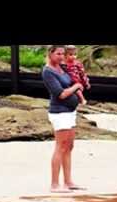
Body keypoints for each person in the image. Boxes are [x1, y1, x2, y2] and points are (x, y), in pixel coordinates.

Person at [42, 45, 86, 193]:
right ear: (50, 53)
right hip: (59, 112)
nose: (61, 57)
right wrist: (76, 87)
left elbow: (74, 78)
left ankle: (68, 182)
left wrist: (80, 82)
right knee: (60, 146)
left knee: (69, 146)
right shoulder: (48, 72)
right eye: (58, 54)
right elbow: (60, 94)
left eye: (63, 54)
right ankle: (54, 184)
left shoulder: (62, 68)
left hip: (70, 111)